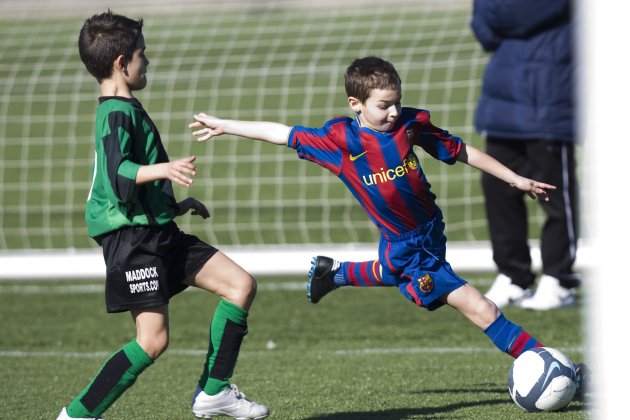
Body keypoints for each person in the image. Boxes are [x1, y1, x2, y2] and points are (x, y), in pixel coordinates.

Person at [188, 57, 591, 391]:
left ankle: (337, 274)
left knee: (397, 273)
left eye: (397, 102)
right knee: (479, 305)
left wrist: (514, 178)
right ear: (356, 104)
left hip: (432, 229)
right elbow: (283, 133)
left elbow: (461, 150)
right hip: (406, 245)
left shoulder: (410, 125)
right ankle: (554, 367)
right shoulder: (340, 142)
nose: (394, 111)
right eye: (384, 105)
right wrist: (227, 125)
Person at [56, 11, 269, 420]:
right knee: (152, 341)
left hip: (157, 230)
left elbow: (130, 184)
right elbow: (119, 177)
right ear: (122, 62)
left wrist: (174, 205)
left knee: (240, 286)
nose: (147, 61)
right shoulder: (115, 112)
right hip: (132, 242)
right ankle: (78, 415)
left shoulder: (126, 108)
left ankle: (214, 392)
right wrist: (166, 170)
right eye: (142, 54)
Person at [471, 0, 581, 310]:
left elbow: (514, 13)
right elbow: (484, 32)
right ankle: (513, 275)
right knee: (499, 191)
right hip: (503, 99)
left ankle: (559, 278)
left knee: (556, 196)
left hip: (548, 97)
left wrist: (493, 11)